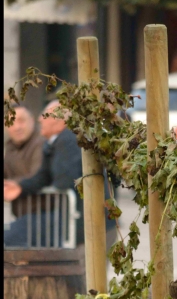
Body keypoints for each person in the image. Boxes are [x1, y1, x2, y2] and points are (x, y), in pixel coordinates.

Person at [4, 99, 116, 248]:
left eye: (44, 116)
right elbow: (42, 177)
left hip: (90, 222)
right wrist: (20, 187)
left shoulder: (68, 141)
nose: (39, 119)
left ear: (59, 121)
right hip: (78, 220)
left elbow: (64, 181)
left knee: (14, 234)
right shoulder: (54, 143)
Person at [4, 104, 45, 217]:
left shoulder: (41, 143)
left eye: (21, 121)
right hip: (21, 213)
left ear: (32, 120)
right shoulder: (10, 146)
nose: (17, 127)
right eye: (11, 122)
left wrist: (14, 185)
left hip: (41, 213)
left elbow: (37, 175)